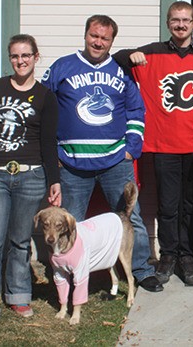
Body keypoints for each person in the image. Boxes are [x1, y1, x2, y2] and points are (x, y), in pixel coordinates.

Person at [41, 15, 162, 293]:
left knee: (131, 217)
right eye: (94, 36)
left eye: (104, 38)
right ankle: (67, 270)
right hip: (72, 163)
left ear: (112, 42)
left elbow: (135, 110)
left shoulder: (122, 70)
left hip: (114, 161)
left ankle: (141, 270)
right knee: (70, 222)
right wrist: (52, 150)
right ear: (85, 35)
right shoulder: (63, 67)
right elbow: (45, 109)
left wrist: (132, 148)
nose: (98, 42)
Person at [114, 1, 193, 286]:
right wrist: (129, 54)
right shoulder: (151, 53)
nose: (181, 25)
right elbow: (116, 59)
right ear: (168, 23)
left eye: (186, 20)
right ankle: (169, 254)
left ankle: (189, 256)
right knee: (168, 205)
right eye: (175, 20)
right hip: (163, 144)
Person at [0, 34, 61, 335]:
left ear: (36, 57)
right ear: (11, 59)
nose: (20, 61)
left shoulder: (46, 96)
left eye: (26, 55)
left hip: (31, 176)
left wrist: (53, 180)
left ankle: (18, 295)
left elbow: (48, 142)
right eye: (15, 56)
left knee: (21, 241)